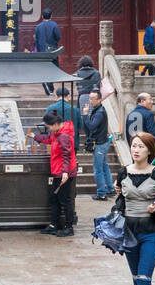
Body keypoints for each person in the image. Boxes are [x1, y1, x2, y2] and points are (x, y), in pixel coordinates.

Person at [115, 132, 155, 285]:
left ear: (150, 151)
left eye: (141, 146)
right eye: (134, 145)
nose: (136, 150)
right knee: (136, 278)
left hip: (151, 232)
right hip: (129, 232)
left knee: (144, 277)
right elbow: (119, 199)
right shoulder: (123, 172)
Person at [31, 108, 76, 236]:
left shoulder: (64, 136)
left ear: (55, 124)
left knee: (65, 199)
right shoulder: (58, 133)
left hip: (64, 173)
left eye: (49, 127)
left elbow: (67, 155)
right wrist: (36, 137)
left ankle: (68, 227)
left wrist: (65, 173)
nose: (49, 129)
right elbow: (50, 139)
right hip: (58, 171)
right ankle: (54, 224)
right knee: (54, 197)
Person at [83, 89, 112, 201]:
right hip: (103, 142)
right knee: (104, 166)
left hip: (100, 144)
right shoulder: (98, 110)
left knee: (98, 169)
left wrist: (85, 115)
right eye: (90, 98)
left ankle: (101, 193)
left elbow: (91, 126)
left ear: (100, 99)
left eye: (93, 99)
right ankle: (110, 188)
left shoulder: (99, 112)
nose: (91, 101)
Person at [73, 55, 101, 148]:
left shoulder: (77, 73)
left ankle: (88, 137)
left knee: (85, 117)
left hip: (82, 97)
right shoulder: (96, 73)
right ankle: (93, 137)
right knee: (93, 117)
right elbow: (98, 85)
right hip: (94, 96)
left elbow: (77, 85)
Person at [34, 8, 61, 95]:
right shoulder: (54, 25)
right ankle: (50, 85)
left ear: (42, 16)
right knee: (53, 68)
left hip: (42, 51)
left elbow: (36, 40)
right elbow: (58, 37)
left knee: (44, 67)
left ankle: (47, 83)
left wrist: (38, 51)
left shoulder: (38, 27)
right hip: (52, 51)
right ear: (51, 16)